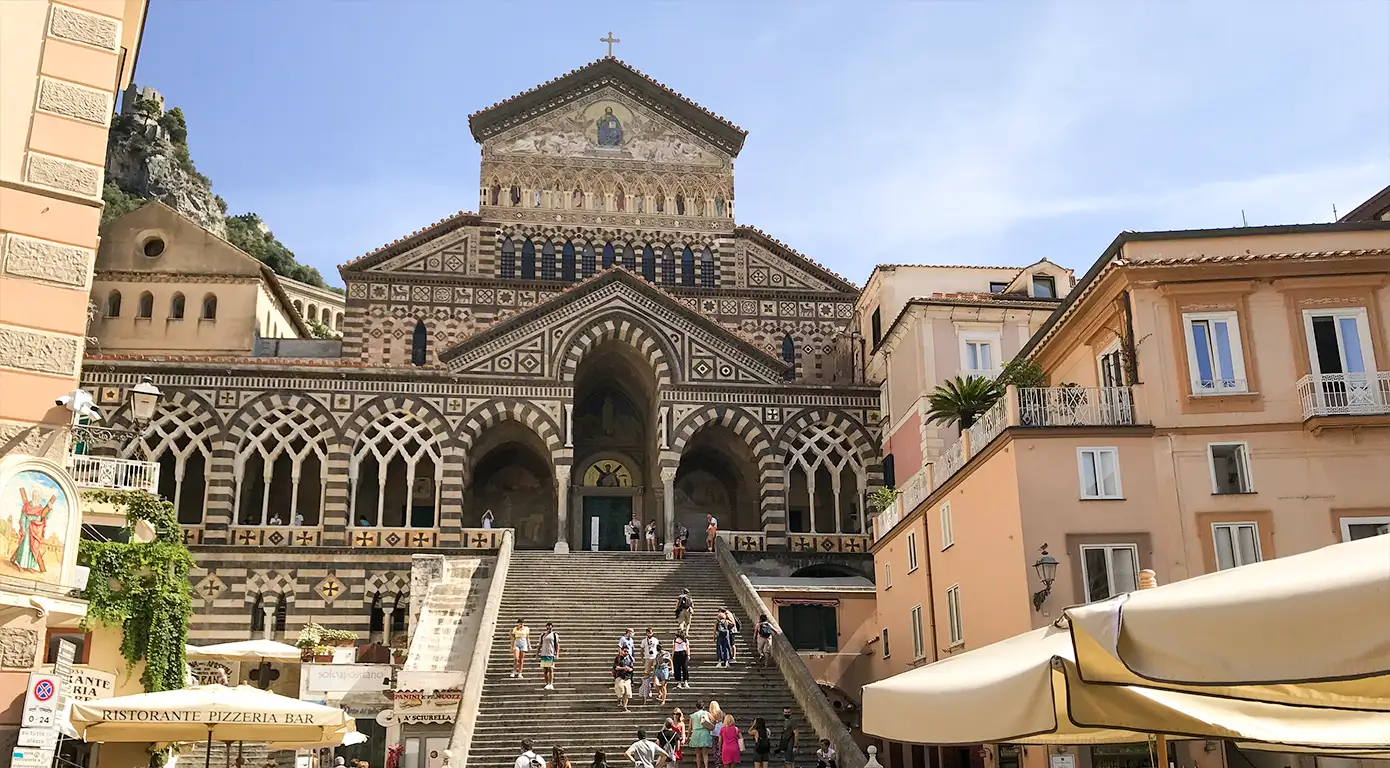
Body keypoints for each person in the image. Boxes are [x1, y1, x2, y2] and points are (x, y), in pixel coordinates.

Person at [688, 701, 713, 768]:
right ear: (703, 707)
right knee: (705, 753)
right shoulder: (706, 713)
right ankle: (706, 766)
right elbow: (713, 720)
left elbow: (690, 727)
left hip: (695, 733)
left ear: (696, 707)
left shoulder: (692, 715)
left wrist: (688, 737)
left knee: (698, 754)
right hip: (704, 732)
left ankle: (698, 766)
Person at [613, 642, 635, 711]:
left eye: (627, 652)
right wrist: (624, 668)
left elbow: (632, 668)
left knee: (627, 693)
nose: (626, 653)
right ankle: (619, 699)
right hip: (620, 677)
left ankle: (625, 707)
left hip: (627, 678)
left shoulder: (629, 659)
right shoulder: (618, 658)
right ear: (622, 651)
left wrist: (630, 669)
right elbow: (615, 667)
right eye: (625, 651)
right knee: (621, 690)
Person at [538, 621, 560, 691]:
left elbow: (557, 645)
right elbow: (540, 645)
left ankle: (551, 683)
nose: (549, 629)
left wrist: (557, 654)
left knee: (550, 669)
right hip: (543, 654)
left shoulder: (554, 635)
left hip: (551, 654)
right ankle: (547, 683)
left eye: (550, 628)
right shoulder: (543, 635)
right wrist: (537, 653)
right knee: (545, 670)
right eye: (548, 628)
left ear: (552, 628)